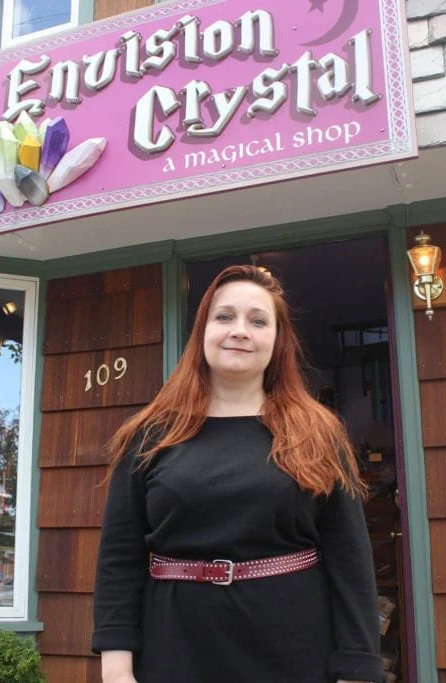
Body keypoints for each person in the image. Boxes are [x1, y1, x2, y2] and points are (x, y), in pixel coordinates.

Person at [92, 265, 384, 683]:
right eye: (224, 316)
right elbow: (119, 558)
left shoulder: (317, 432)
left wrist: (356, 669)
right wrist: (117, 668)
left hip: (296, 653)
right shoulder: (149, 435)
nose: (240, 331)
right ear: (203, 332)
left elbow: (350, 558)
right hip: (173, 648)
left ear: (277, 340)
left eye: (258, 320)